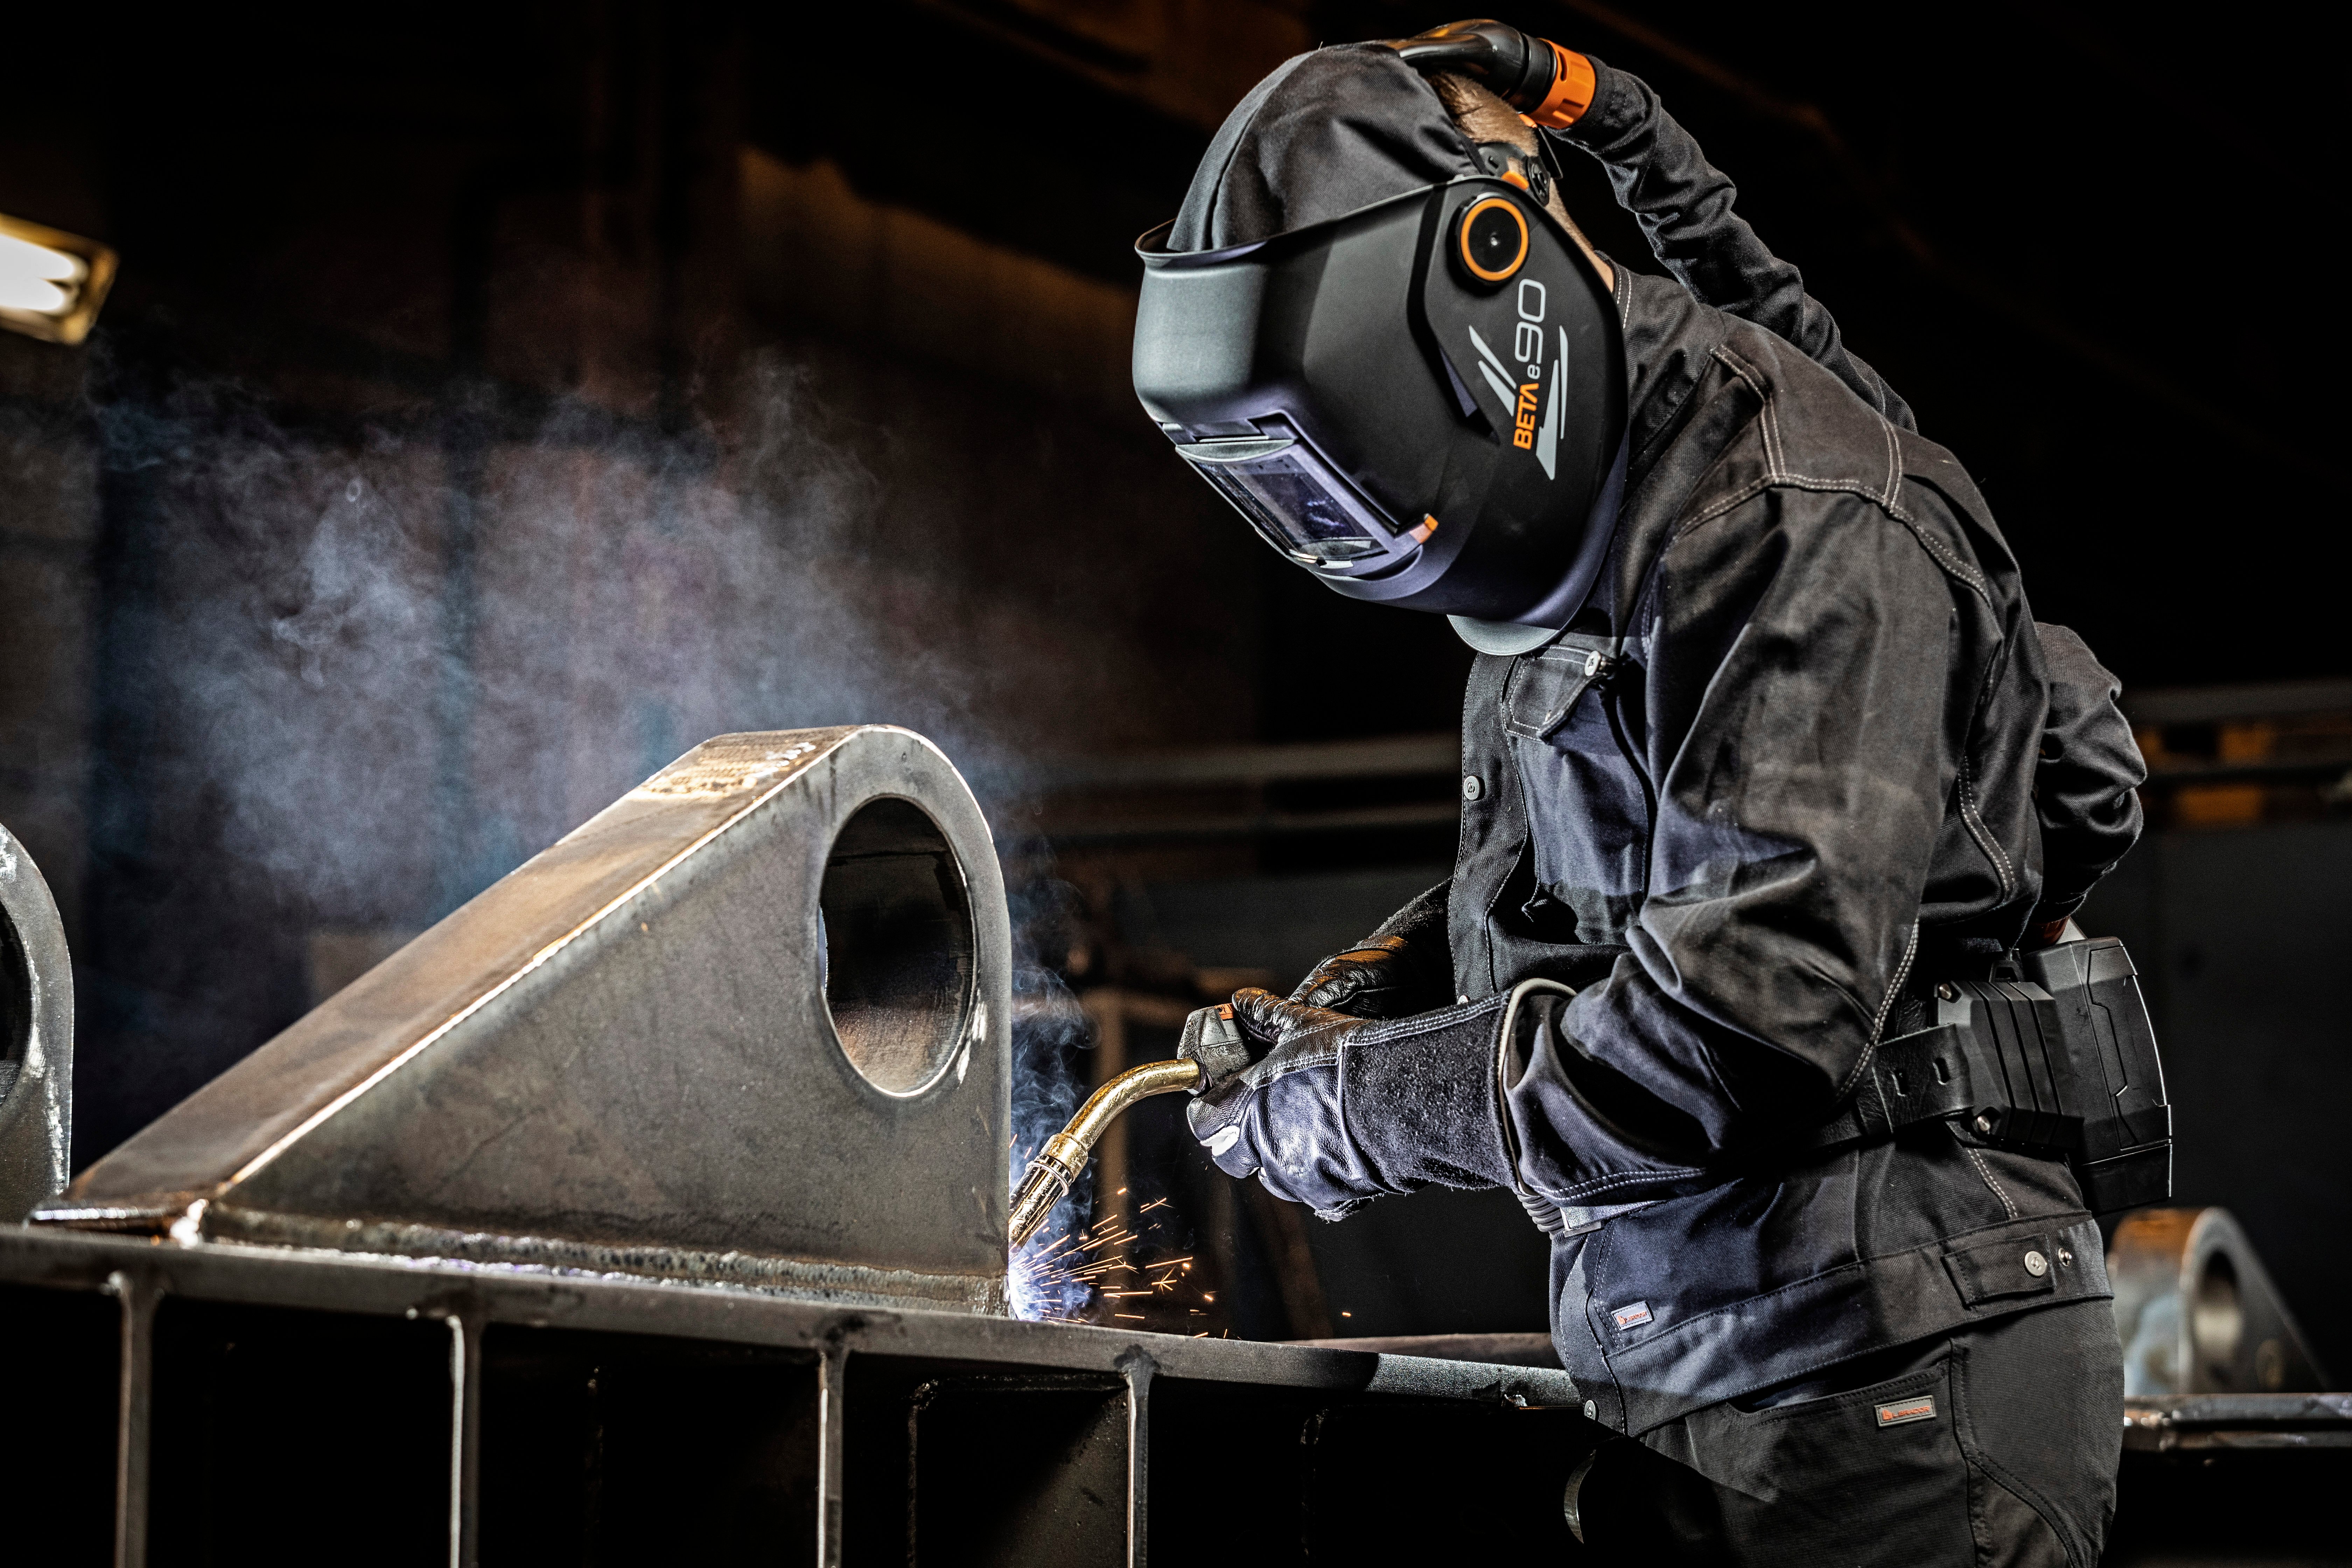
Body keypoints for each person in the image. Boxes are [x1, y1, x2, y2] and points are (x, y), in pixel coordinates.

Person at [1161, 27, 2147, 1566]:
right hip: (1689, 1369)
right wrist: (1383, 998)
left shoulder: (1790, 513)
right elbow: (1602, 884)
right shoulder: (1593, 530)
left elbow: (1748, 1017)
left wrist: (1356, 1108)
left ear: (1493, 277)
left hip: (1891, 1388)